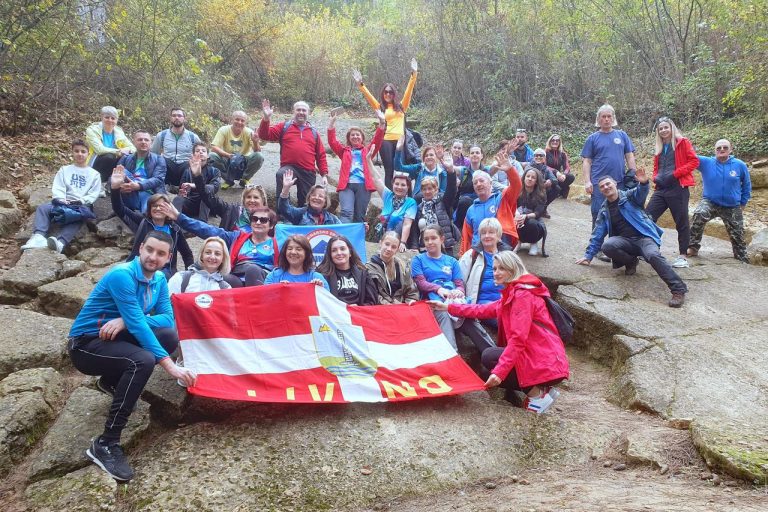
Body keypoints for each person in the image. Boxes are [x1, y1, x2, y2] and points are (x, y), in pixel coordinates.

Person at [68, 230, 196, 481]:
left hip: (115, 336)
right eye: (149, 250)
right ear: (140, 249)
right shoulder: (122, 276)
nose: (153, 257)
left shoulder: (159, 279)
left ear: (168, 257)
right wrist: (171, 367)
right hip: (85, 344)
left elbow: (167, 318)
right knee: (142, 361)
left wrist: (125, 321)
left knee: (168, 335)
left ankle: (111, 382)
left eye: (160, 253)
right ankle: (106, 443)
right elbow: (139, 325)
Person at [429, 251, 569, 413]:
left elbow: (518, 340)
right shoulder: (514, 292)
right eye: (494, 269)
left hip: (545, 363)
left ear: (512, 269)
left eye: (501, 268)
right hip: (544, 360)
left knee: (490, 358)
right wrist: (448, 307)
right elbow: (482, 310)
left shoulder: (522, 295)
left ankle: (537, 396)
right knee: (491, 362)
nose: (496, 273)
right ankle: (543, 391)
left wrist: (500, 373)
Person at [576, 169, 688, 308]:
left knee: (652, 255)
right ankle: (631, 262)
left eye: (608, 184)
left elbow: (640, 193)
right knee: (607, 246)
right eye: (602, 186)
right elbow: (597, 234)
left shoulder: (629, 196)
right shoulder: (604, 210)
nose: (605, 187)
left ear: (615, 183)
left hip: (644, 238)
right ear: (600, 190)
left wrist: (644, 183)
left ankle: (678, 289)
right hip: (625, 242)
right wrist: (588, 256)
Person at [412, 225, 495, 354]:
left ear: (442, 239)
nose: (429, 242)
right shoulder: (418, 259)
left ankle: (494, 355)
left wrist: (459, 291)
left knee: (467, 316)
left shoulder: (452, 261)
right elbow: (421, 283)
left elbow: (459, 283)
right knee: (444, 314)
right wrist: (438, 289)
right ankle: (452, 356)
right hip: (431, 302)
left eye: (433, 238)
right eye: (426, 239)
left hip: (452, 300)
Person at [160, 202, 276, 287]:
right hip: (238, 278)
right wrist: (179, 217)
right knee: (221, 278)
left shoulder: (276, 243)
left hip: (263, 281)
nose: (258, 222)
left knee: (252, 270)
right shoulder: (237, 237)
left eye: (263, 220)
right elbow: (207, 230)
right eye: (255, 219)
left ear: (271, 225)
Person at [110, 168, 193, 278]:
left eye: (162, 206)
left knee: (159, 277)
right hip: (140, 265)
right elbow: (120, 209)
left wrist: (190, 276)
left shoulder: (175, 229)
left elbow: (187, 254)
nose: (158, 208)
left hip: (164, 270)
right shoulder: (143, 222)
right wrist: (115, 189)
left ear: (169, 209)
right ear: (149, 209)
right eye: (154, 206)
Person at [22, 140, 101, 254]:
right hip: (63, 202)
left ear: (88, 154)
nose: (80, 154)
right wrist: (60, 198)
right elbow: (59, 186)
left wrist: (81, 201)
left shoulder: (94, 174)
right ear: (72, 152)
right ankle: (38, 236)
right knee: (43, 208)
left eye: (83, 151)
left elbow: (94, 193)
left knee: (79, 217)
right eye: (76, 151)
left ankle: (60, 243)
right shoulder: (65, 170)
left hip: (81, 205)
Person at [353, 58, 418, 188]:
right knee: (389, 170)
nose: (388, 94)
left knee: (402, 169)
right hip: (386, 141)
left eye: (390, 92)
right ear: (383, 94)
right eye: (386, 92)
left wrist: (414, 74)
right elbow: (369, 96)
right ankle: (389, 199)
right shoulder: (380, 107)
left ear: (394, 94)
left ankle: (406, 197)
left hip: (401, 141)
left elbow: (409, 91)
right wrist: (361, 84)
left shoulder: (402, 106)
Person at [646, 117, 698, 268]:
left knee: (681, 222)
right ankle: (650, 249)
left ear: (671, 128)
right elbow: (657, 166)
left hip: (678, 187)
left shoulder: (683, 142)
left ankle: (682, 256)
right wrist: (655, 177)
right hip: (661, 188)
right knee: (647, 217)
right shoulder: (659, 146)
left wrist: (675, 174)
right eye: (660, 128)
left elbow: (694, 161)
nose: (663, 130)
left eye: (666, 127)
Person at [688, 139, 751, 262]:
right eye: (718, 148)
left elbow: (747, 185)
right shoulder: (706, 162)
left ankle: (741, 256)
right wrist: (677, 137)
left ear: (730, 150)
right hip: (710, 202)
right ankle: (692, 247)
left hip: (732, 205)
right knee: (699, 213)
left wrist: (743, 203)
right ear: (714, 150)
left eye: (725, 147)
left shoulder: (739, 165)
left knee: (738, 235)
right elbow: (689, 155)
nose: (721, 150)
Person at [260, 99, 328, 207]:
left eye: (304, 110)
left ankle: (303, 222)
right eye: (298, 110)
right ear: (293, 112)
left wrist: (324, 174)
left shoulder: (314, 133)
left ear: (308, 113)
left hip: (308, 172)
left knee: (305, 203)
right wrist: (266, 118)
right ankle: (282, 215)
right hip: (290, 168)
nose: (301, 112)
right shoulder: (284, 127)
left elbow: (321, 155)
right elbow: (264, 135)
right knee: (280, 175)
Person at [581, 104, 637, 226]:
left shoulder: (622, 135)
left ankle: (617, 243)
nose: (606, 119)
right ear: (598, 119)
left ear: (613, 118)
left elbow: (629, 155)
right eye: (603, 116)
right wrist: (587, 181)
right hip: (598, 184)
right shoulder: (592, 138)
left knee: (620, 213)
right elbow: (587, 161)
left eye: (609, 116)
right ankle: (596, 244)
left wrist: (633, 175)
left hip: (619, 182)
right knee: (598, 214)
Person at [327, 109, 385, 223]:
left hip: (364, 186)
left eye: (357, 135)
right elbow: (332, 142)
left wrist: (382, 123)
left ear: (362, 138)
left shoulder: (368, 150)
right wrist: (331, 124)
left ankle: (358, 240)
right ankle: (342, 239)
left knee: (360, 215)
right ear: (349, 138)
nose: (355, 137)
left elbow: (377, 140)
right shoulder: (343, 151)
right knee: (347, 212)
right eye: (352, 135)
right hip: (347, 185)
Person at [461, 150, 523, 255]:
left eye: (481, 181)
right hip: (479, 250)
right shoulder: (471, 209)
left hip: (501, 247)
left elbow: (517, 187)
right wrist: (464, 256)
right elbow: (466, 237)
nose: (478, 184)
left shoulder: (502, 198)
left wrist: (510, 170)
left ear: (490, 183)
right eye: (475, 183)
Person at [458, 218, 511, 332]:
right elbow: (458, 280)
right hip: (483, 304)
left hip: (506, 302)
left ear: (498, 235)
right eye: (483, 233)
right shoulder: (471, 255)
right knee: (506, 322)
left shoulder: (508, 256)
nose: (487, 236)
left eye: (491, 232)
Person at [367, 147, 417, 253]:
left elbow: (407, 224)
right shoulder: (388, 196)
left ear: (408, 188)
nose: (399, 187)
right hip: (380, 234)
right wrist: (368, 160)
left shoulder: (410, 202)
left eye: (403, 185)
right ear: (392, 185)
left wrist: (402, 242)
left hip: (396, 238)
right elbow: (377, 179)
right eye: (397, 184)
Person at [85, 106, 135, 194]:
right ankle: (97, 184)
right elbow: (99, 149)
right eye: (107, 117)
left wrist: (127, 150)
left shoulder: (118, 131)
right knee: (109, 156)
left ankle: (112, 183)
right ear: (102, 118)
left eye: (113, 118)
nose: (110, 120)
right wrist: (119, 151)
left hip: (113, 161)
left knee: (128, 157)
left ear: (116, 120)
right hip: (95, 161)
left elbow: (133, 148)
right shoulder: (92, 130)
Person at [317, 235, 378, 305]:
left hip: (358, 314)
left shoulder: (363, 273)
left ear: (350, 253)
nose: (339, 253)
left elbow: (372, 301)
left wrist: (358, 308)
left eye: (342, 249)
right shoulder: (322, 275)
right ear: (330, 255)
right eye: (334, 250)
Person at [116, 130, 167, 212]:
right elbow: (113, 178)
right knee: (122, 172)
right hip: (129, 193)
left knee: (148, 214)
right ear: (134, 142)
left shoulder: (159, 159)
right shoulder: (125, 158)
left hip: (149, 193)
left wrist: (139, 186)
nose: (143, 142)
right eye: (140, 139)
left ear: (151, 142)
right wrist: (119, 188)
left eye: (146, 140)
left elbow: (158, 179)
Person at [209, 110, 264, 188]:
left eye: (242, 120)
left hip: (244, 161)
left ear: (245, 123)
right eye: (237, 119)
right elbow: (214, 147)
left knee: (259, 156)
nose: (239, 122)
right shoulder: (224, 130)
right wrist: (228, 155)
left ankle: (245, 179)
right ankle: (228, 179)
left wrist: (255, 142)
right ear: (232, 120)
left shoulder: (249, 132)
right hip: (228, 160)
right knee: (211, 156)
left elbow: (257, 151)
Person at [151, 107, 201, 188]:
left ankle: (184, 189)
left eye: (179, 115)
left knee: (189, 164)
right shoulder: (161, 135)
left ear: (184, 118)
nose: (176, 117)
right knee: (162, 160)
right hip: (168, 168)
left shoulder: (193, 137)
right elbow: (153, 154)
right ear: (170, 118)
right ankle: (162, 188)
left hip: (185, 168)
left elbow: (202, 154)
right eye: (174, 115)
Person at [366, 231, 420, 304]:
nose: (389, 249)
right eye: (387, 244)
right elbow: (372, 294)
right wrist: (390, 304)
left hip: (401, 306)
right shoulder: (369, 268)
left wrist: (411, 300)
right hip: (381, 307)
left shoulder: (403, 267)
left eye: (393, 247)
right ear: (380, 243)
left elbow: (411, 290)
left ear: (397, 250)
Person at [411, 173, 458, 256]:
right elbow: (415, 230)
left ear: (436, 189)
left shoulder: (444, 202)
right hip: (425, 248)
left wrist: (451, 172)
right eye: (424, 189)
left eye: (430, 188)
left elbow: (451, 189)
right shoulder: (419, 208)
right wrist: (414, 246)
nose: (427, 191)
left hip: (444, 247)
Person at [198, 178, 268, 231]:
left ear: (263, 201)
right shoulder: (231, 210)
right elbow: (208, 199)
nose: (252, 200)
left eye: (256, 197)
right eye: (248, 197)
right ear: (243, 200)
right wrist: (198, 177)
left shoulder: (270, 220)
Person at [174, 143, 221, 222]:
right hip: (191, 202)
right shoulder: (187, 171)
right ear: (193, 155)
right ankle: (173, 223)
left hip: (207, 203)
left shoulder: (215, 171)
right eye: (197, 151)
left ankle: (202, 224)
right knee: (178, 199)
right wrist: (183, 191)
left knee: (207, 193)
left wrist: (193, 185)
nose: (200, 152)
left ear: (208, 155)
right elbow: (181, 186)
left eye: (203, 151)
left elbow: (214, 187)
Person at [167, 237, 232, 294]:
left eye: (217, 254)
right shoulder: (180, 278)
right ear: (201, 256)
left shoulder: (226, 289)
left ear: (223, 259)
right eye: (208, 252)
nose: (212, 257)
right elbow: (166, 305)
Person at [264, 235, 329, 289]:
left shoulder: (316, 278)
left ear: (306, 253)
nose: (293, 252)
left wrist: (320, 290)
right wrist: (277, 290)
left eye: (298, 249)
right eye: (290, 249)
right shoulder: (273, 276)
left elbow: (327, 302)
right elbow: (265, 300)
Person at [455, 144, 492, 229]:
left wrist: (507, 152)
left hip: (483, 200)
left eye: (477, 153)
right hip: (465, 204)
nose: (474, 154)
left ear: (481, 156)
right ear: (469, 156)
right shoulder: (463, 171)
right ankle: (461, 229)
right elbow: (451, 168)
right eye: (472, 153)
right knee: (465, 201)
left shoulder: (487, 170)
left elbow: (498, 165)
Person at [515, 168, 548, 256]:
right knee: (514, 221)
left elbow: (538, 213)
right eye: (528, 176)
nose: (530, 179)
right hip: (518, 218)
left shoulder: (541, 194)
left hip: (535, 222)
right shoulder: (517, 190)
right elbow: (512, 206)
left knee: (531, 223)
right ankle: (518, 241)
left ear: (536, 181)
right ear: (524, 178)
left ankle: (533, 243)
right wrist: (517, 214)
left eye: (533, 177)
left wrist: (525, 216)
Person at [528, 148, 562, 213]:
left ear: (544, 158)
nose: (538, 157)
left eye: (541, 155)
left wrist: (550, 181)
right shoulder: (529, 166)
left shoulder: (545, 168)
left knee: (557, 188)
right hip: (530, 189)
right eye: (536, 155)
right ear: (533, 157)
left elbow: (555, 179)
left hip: (542, 188)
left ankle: (544, 208)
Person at [545, 134, 575, 199]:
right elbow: (544, 166)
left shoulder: (562, 154)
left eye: (557, 140)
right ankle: (556, 190)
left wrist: (564, 175)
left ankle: (561, 192)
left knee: (571, 177)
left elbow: (567, 167)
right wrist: (556, 172)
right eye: (553, 140)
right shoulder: (545, 152)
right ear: (550, 141)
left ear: (559, 142)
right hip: (548, 174)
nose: (555, 142)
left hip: (558, 176)